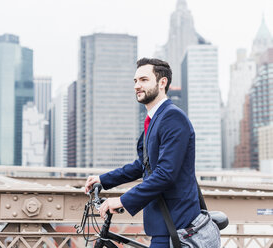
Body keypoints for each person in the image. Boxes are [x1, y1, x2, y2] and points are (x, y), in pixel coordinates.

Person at [84, 58, 201, 248]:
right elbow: (143, 165)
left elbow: (165, 175)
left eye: (144, 80)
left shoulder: (172, 118)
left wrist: (122, 200)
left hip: (176, 225)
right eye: (135, 81)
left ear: (162, 83)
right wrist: (103, 179)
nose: (137, 86)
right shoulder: (154, 119)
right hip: (163, 223)